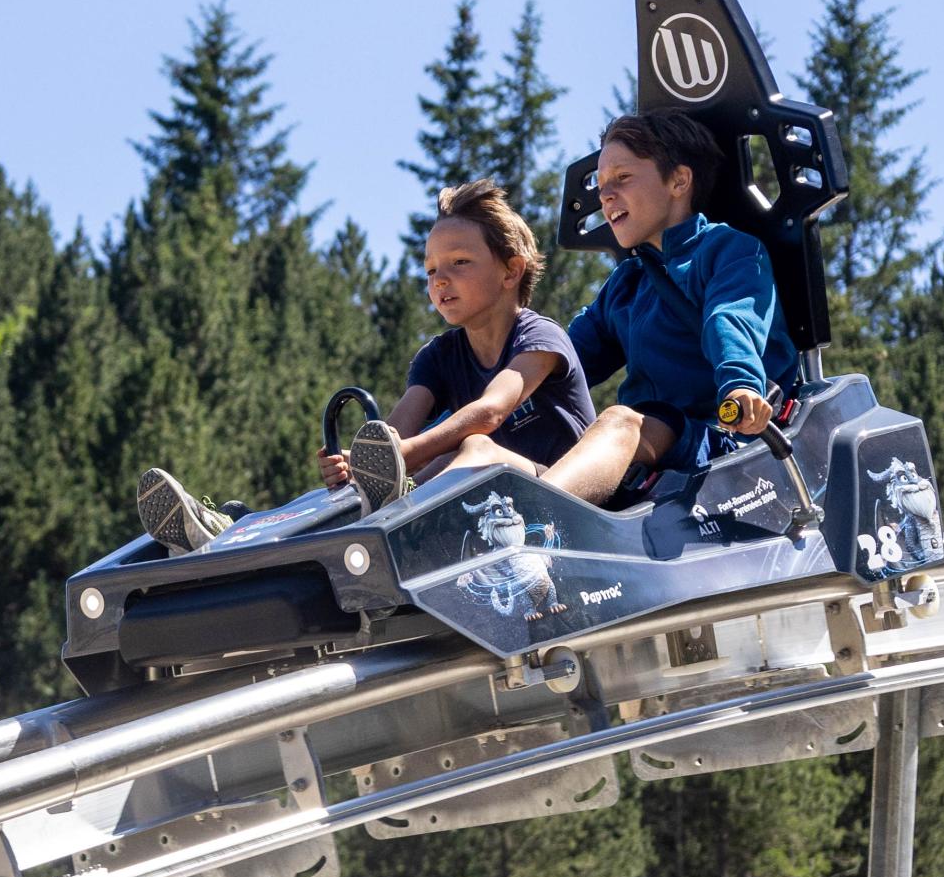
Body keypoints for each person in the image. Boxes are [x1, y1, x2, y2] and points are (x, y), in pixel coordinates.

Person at [137, 180, 595, 552]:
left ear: (511, 272)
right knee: (396, 472)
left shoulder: (540, 338)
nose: (440, 280)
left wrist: (398, 458)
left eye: (459, 263)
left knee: (474, 449)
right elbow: (394, 432)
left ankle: (350, 525)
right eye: (431, 270)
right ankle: (236, 535)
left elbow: (491, 412)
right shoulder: (438, 356)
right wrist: (360, 465)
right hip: (487, 499)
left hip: (564, 499)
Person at [442, 110, 799, 505]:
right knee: (479, 450)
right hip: (647, 456)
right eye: (600, 184)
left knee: (618, 420)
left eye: (622, 178)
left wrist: (741, 386)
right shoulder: (627, 285)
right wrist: (439, 430)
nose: (605, 195)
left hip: (724, 443)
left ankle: (539, 527)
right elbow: (547, 363)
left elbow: (729, 321)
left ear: (679, 180)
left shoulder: (729, 251)